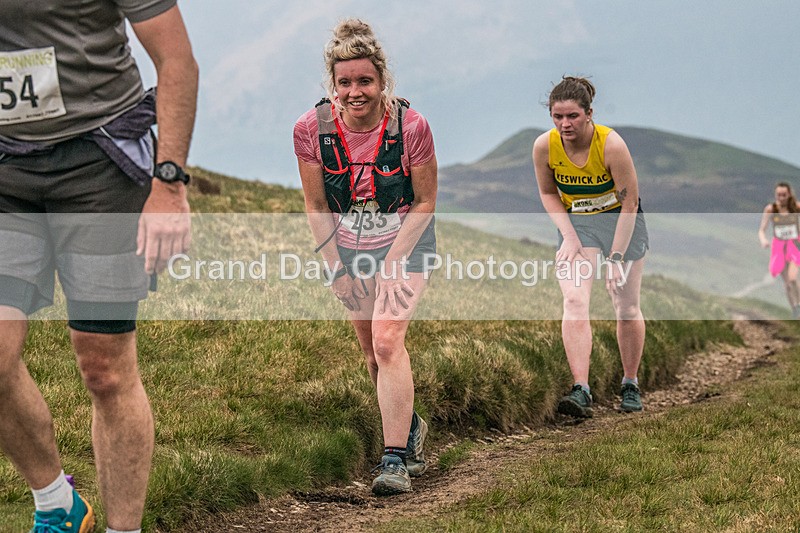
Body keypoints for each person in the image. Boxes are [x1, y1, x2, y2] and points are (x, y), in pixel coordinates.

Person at [0, 1, 197, 532]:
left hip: (99, 163)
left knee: (104, 367)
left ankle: (123, 529)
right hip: (6, 169)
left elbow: (177, 60)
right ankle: (56, 504)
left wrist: (170, 185)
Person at [293, 18, 437, 496]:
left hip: (407, 243)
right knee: (371, 354)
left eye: (365, 81)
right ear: (332, 85)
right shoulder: (309, 130)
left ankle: (393, 460)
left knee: (388, 340)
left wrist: (395, 259)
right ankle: (410, 427)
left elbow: (425, 201)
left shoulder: (412, 126)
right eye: (345, 82)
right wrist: (335, 269)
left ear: (382, 81)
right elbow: (315, 206)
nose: (356, 92)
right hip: (349, 247)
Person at [532, 76, 649, 418]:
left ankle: (630, 382)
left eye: (572, 116)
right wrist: (569, 236)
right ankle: (581, 388)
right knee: (573, 298)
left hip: (621, 223)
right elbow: (548, 193)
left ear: (589, 114)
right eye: (557, 117)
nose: (565, 124)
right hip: (579, 225)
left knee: (625, 306)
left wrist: (615, 258)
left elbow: (630, 204)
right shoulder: (545, 146)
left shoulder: (611, 145)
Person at [758, 182, 800, 317]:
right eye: (778, 195)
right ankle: (794, 309)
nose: (781, 198)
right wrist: (764, 240)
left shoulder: (796, 207)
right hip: (779, 248)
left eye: (784, 195)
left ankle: (799, 305)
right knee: (787, 283)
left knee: (793, 278)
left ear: (789, 195)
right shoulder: (771, 209)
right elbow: (761, 230)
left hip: (794, 246)